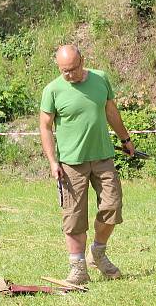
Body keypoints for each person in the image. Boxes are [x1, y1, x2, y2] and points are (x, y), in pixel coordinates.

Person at [39, 45, 135, 285]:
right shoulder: (52, 90)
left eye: (72, 69)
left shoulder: (101, 79)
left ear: (82, 60)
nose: (69, 75)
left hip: (103, 157)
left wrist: (125, 139)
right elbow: (45, 127)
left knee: (112, 207)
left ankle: (98, 253)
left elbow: (111, 112)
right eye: (64, 71)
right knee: (74, 217)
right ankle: (78, 267)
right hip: (71, 163)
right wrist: (53, 162)